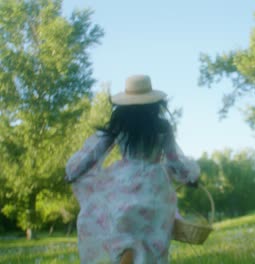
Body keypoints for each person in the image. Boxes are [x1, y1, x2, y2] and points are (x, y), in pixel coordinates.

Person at [65, 75, 200, 264]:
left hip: (123, 183)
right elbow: (174, 160)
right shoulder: (162, 126)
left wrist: (74, 172)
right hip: (155, 187)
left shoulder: (121, 124)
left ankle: (126, 252)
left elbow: (95, 152)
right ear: (154, 102)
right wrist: (190, 177)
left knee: (123, 231)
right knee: (154, 239)